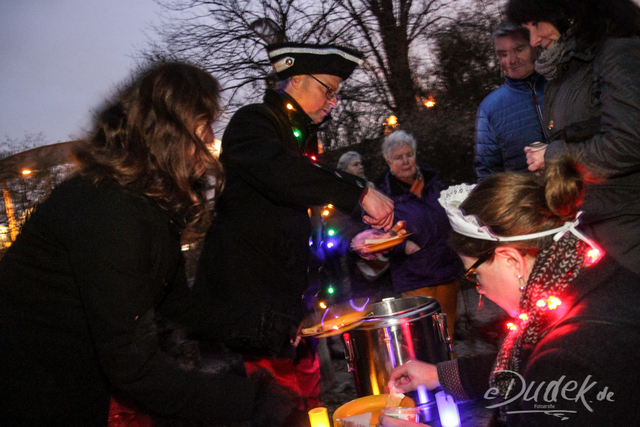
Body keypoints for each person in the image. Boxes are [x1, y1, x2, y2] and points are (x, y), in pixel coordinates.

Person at [0, 62, 307, 427]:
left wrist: (264, 326)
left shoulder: (148, 203)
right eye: (203, 124)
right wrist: (248, 404)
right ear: (169, 131)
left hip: (68, 380)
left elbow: (175, 304)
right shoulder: (109, 208)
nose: (210, 139)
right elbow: (132, 366)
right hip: (29, 390)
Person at [194, 42, 395, 410]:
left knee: (306, 407)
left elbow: (300, 214)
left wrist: (354, 241)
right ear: (295, 78)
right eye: (327, 89)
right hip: (251, 318)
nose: (333, 101)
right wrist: (359, 191)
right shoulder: (254, 122)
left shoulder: (300, 136)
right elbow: (279, 174)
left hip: (291, 316)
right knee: (275, 411)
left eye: (337, 93)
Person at [379, 157, 640, 427]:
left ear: (512, 260)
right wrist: (440, 375)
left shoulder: (568, 356)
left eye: (475, 274)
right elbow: (526, 365)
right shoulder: (590, 274)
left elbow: (550, 370)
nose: (480, 289)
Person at [505, 0, 640, 275]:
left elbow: (628, 143)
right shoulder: (570, 65)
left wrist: (553, 155)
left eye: (536, 24)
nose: (534, 39)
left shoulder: (618, 52)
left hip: (628, 229)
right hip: (598, 227)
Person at [362, 130, 462, 336]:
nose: (406, 161)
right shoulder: (382, 194)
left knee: (448, 333)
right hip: (414, 275)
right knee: (426, 335)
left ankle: (448, 368)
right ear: (388, 161)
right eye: (398, 157)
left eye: (409, 155)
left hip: (446, 268)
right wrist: (401, 245)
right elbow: (372, 233)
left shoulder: (435, 183)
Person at [474, 21, 547, 180]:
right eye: (503, 54)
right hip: (528, 201)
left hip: (584, 196)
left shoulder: (561, 87)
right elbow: (488, 173)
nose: (511, 60)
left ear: (534, 45)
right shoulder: (489, 108)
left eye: (519, 50)